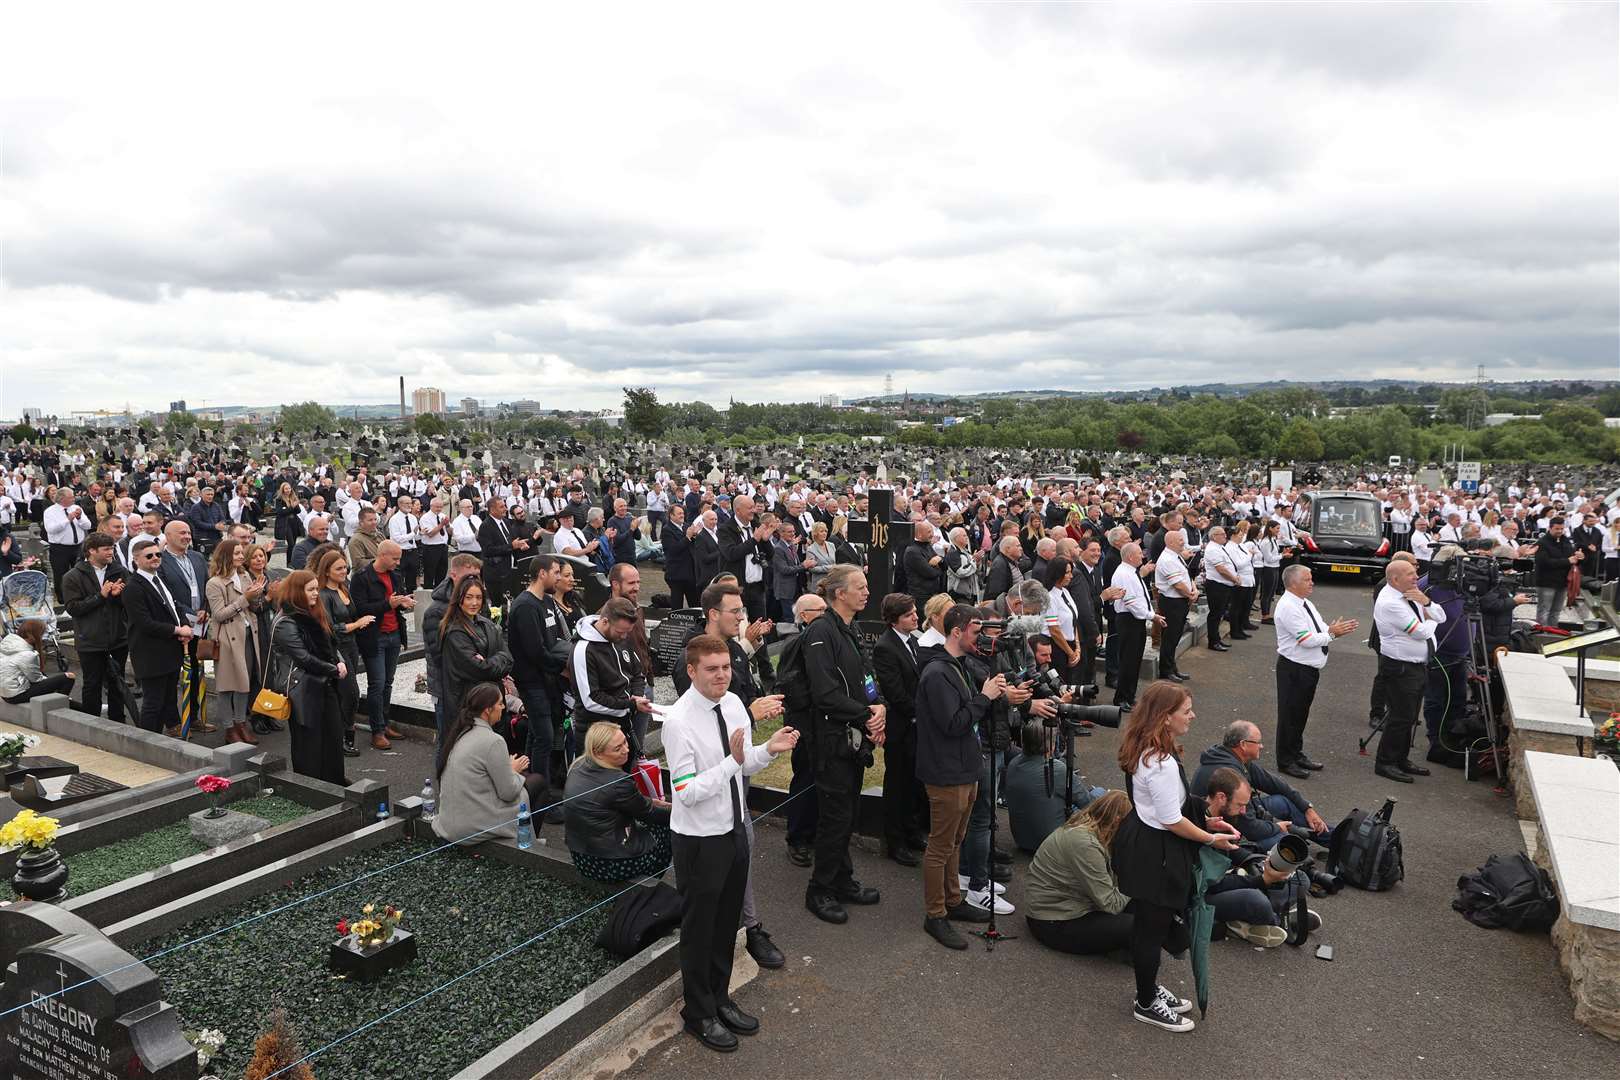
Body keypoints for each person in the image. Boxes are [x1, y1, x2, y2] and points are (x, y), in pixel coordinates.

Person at [663, 633, 799, 1053]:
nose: (722, 675)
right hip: (700, 839)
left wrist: (768, 751)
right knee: (700, 928)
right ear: (691, 671)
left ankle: (719, 997)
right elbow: (686, 791)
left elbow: (744, 761)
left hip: (735, 827)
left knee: (726, 924)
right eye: (712, 669)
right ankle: (698, 1012)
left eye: (725, 667)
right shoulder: (679, 720)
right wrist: (734, 762)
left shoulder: (735, 703)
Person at [1110, 681, 1238, 1033]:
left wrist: (1205, 818)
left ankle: (1147, 990)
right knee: (1152, 930)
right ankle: (1146, 1002)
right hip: (1158, 853)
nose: (1192, 715)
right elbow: (1172, 820)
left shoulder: (1146, 748)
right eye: (1186, 711)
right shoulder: (1161, 763)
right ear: (1165, 718)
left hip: (1144, 842)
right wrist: (1211, 837)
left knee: (1148, 926)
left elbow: (1168, 807)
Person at [912, 603, 1003, 949]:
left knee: (955, 840)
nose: (980, 639)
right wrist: (984, 697)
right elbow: (954, 724)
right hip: (946, 772)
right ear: (956, 631)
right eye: (976, 632)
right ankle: (935, 914)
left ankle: (953, 900)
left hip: (965, 767)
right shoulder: (937, 673)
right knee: (940, 844)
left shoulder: (957, 666)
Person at [801, 565, 886, 925]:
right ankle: (819, 889)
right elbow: (825, 694)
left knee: (846, 813)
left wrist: (878, 705)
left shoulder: (849, 629)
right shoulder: (821, 631)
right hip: (831, 740)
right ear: (839, 593)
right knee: (835, 817)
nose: (867, 593)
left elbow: (864, 675)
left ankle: (841, 879)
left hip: (851, 737)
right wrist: (867, 713)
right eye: (860, 587)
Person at [1025, 790, 1138, 956]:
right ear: (1117, 820)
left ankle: (1168, 941)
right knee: (1138, 924)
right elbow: (1111, 904)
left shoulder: (1091, 828)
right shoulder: (1085, 845)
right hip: (1053, 921)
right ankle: (1162, 944)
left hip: (1067, 906)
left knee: (1148, 905)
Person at [1270, 564, 1357, 779]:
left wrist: (1331, 630)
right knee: (1289, 716)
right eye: (1307, 579)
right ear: (1293, 583)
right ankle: (1286, 761)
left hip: (1307, 670)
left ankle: (1296, 753)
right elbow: (1306, 640)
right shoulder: (1289, 606)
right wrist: (1332, 634)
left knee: (1300, 715)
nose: (1312, 583)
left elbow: (1319, 629)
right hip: (1294, 669)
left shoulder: (1304, 603)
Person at [433, 682, 542, 846]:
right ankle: (525, 844)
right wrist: (513, 770)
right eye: (499, 703)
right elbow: (508, 792)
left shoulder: (460, 732)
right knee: (538, 782)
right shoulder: (494, 741)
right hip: (471, 826)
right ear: (487, 710)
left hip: (450, 821)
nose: (504, 706)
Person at [1190, 721, 1330, 848]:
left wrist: (1307, 808)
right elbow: (1250, 827)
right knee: (1289, 843)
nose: (1262, 746)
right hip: (1223, 830)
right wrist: (1277, 827)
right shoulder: (1231, 773)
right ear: (1243, 744)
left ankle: (1336, 839)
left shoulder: (1233, 758)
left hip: (1239, 817)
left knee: (1283, 802)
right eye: (1258, 742)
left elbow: (1275, 784)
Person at [564, 721, 673, 881]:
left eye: (625, 742)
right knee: (667, 829)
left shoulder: (578, 766)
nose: (626, 750)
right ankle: (648, 883)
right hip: (610, 864)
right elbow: (648, 813)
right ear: (598, 752)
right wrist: (680, 813)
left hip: (581, 855)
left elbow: (625, 801)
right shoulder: (618, 781)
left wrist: (651, 803)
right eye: (618, 748)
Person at [268, 570, 347, 784]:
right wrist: (333, 669)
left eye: (316, 589)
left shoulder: (314, 612)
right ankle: (309, 784)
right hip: (302, 687)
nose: (315, 594)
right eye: (310, 590)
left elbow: (330, 643)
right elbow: (303, 658)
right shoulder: (286, 621)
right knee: (308, 741)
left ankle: (334, 779)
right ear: (297, 592)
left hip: (324, 683)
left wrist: (338, 660)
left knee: (332, 733)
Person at [1371, 558, 1446, 783]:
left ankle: (1400, 758)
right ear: (1395, 579)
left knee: (1410, 716)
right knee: (1400, 716)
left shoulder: (1410, 594)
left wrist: (1427, 604)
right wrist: (1430, 622)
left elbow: (1441, 615)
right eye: (1411, 574)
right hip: (1400, 666)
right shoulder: (1390, 602)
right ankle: (1385, 762)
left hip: (1415, 664)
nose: (1416, 578)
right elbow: (1421, 632)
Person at [507, 555, 571, 796]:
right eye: (555, 572)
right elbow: (535, 651)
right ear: (542, 573)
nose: (558, 577)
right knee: (543, 737)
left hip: (546, 678)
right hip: (532, 680)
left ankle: (529, 786)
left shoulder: (546, 601)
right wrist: (563, 667)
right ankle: (540, 795)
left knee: (536, 734)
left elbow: (553, 640)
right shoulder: (525, 606)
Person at [872, 592, 927, 867]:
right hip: (901, 728)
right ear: (894, 620)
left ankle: (912, 830)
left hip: (917, 727)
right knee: (898, 785)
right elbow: (895, 692)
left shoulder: (914, 641)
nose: (916, 617)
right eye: (909, 615)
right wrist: (922, 712)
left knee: (915, 783)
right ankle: (895, 841)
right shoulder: (886, 647)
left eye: (915, 612)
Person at [60, 532, 131, 725]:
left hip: (118, 638)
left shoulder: (119, 571)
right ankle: (92, 724)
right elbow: (73, 608)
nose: (111, 552)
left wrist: (118, 596)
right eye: (106, 549)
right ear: (91, 551)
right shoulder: (72, 576)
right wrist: (100, 596)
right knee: (92, 684)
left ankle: (118, 721)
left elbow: (132, 602)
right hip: (90, 641)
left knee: (118, 683)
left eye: (112, 548)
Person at [570, 597, 654, 759]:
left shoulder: (619, 636)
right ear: (605, 621)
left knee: (623, 778)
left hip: (622, 726)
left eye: (627, 632)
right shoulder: (583, 650)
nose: (624, 637)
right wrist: (630, 705)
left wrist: (637, 695)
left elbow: (637, 672)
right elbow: (591, 700)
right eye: (620, 632)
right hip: (596, 733)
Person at [122, 536, 190, 735]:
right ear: (136, 560)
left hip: (169, 649)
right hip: (150, 653)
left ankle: (169, 731)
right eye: (149, 556)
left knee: (169, 696)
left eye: (158, 554)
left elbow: (175, 607)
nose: (155, 558)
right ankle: (147, 741)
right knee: (153, 702)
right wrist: (178, 630)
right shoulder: (133, 587)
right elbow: (144, 623)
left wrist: (184, 624)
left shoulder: (160, 579)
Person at [1005, 721, 1104, 854]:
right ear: (1050, 745)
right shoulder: (1056, 768)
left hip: (1022, 840)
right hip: (1050, 842)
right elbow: (1087, 803)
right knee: (1100, 793)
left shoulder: (1013, 763)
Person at [351, 540, 413, 750]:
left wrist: (403, 603)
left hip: (394, 633)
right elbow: (360, 609)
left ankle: (384, 724)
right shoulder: (362, 578)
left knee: (387, 682)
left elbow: (395, 602)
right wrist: (389, 604)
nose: (397, 563)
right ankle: (376, 730)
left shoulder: (394, 575)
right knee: (376, 684)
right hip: (374, 637)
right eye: (394, 558)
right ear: (383, 555)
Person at [205, 539, 266, 745]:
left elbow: (254, 606)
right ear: (226, 556)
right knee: (227, 685)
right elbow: (219, 614)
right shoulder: (214, 583)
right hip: (228, 639)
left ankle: (241, 723)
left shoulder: (244, 575)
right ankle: (229, 727)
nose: (242, 556)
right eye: (237, 553)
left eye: (241, 553)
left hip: (248, 634)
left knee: (244, 682)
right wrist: (245, 598)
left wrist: (260, 594)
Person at [438, 575, 513, 725]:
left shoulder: (486, 624)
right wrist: (496, 660)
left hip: (493, 699)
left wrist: (489, 661)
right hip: (469, 704)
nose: (474, 603)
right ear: (459, 599)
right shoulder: (455, 632)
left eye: (479, 598)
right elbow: (480, 669)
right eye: (469, 597)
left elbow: (509, 659)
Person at [314, 549, 367, 756]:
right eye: (339, 568)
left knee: (344, 693)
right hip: (337, 648)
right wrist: (356, 625)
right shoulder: (323, 595)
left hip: (352, 646)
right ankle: (345, 735)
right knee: (351, 692)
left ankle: (340, 734)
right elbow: (329, 627)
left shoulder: (345, 588)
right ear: (326, 571)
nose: (344, 571)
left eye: (345, 567)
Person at [1110, 542, 1163, 711]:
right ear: (1130, 556)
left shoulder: (1130, 571)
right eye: (1140, 553)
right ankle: (1121, 698)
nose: (1143, 556)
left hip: (1134, 620)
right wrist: (1151, 615)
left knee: (1134, 661)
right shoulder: (1124, 573)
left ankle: (1129, 696)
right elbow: (1131, 602)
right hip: (1128, 620)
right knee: (1128, 661)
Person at [1150, 532, 1193, 684]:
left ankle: (1172, 667)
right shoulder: (1167, 559)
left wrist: (1192, 589)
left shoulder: (1176, 555)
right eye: (1180, 540)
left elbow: (1185, 576)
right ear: (1171, 542)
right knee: (1169, 638)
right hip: (1171, 603)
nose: (1183, 542)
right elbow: (1177, 584)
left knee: (1174, 638)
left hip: (1179, 601)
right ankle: (1165, 671)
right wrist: (1190, 594)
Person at [0, 620, 74, 704]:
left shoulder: (5, 645)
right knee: (68, 677)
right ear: (34, 634)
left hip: (5, 693)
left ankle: (61, 701)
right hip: (16, 695)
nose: (42, 637)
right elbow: (36, 679)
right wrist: (50, 681)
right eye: (41, 634)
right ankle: (58, 704)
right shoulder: (27, 654)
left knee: (48, 679)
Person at [42, 486, 90, 601]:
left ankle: (80, 596)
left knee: (81, 572)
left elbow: (88, 525)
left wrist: (79, 518)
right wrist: (67, 520)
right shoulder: (50, 511)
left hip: (78, 546)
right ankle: (63, 600)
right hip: (60, 548)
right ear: (62, 499)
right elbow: (51, 529)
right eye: (71, 497)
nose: (74, 499)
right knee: (61, 574)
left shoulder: (76, 507)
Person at [1533, 517, 1580, 626]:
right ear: (1550, 528)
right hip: (1546, 582)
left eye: (1561, 528)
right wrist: (1566, 561)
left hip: (1562, 582)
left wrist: (1579, 558)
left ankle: (1553, 632)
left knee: (1556, 611)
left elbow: (1572, 558)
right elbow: (1543, 562)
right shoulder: (1542, 542)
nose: (1559, 531)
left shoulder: (1566, 540)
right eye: (1557, 528)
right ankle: (1541, 633)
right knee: (1544, 611)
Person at [1202, 525, 1235, 650]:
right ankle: (1213, 642)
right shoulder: (1212, 549)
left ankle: (1217, 639)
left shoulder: (1219, 547)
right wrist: (1234, 578)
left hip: (1223, 585)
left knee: (1219, 614)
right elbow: (1221, 569)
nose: (1225, 536)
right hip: (1217, 585)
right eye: (1222, 534)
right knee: (1215, 614)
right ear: (1214, 536)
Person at [661, 504, 699, 609]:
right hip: (676, 574)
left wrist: (695, 535)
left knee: (695, 604)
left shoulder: (686, 526)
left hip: (690, 573)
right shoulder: (667, 530)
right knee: (677, 605)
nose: (682, 515)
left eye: (682, 513)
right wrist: (688, 537)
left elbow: (692, 546)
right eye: (679, 513)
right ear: (671, 515)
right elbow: (673, 550)